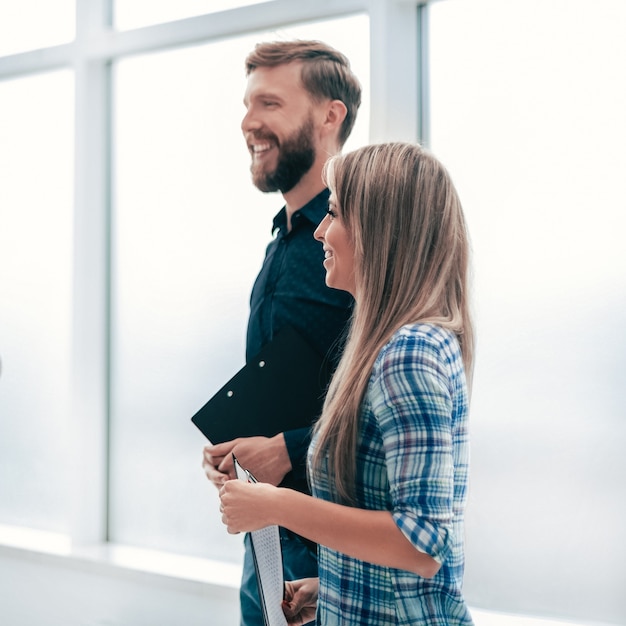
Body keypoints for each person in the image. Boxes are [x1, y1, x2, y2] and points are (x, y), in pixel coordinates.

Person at [219, 142, 475, 625]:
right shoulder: (395, 347)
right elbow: (394, 528)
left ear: (381, 231)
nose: (319, 231)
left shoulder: (409, 353)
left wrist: (277, 504)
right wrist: (330, 587)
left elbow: (422, 543)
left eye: (333, 213)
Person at [201, 40, 362, 625]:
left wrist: (286, 450)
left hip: (329, 550)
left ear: (329, 115)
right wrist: (242, 451)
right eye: (247, 105)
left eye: (269, 102)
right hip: (266, 532)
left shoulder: (356, 243)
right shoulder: (284, 240)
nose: (248, 122)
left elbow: (380, 404)